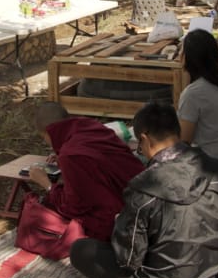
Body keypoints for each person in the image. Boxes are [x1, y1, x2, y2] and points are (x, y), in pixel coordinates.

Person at [70, 101, 218, 278]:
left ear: (144, 139)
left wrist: (120, 225)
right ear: (177, 131)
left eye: (139, 147)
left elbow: (128, 259)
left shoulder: (143, 188)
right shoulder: (216, 168)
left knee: (80, 250)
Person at [25, 102, 146, 246]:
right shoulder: (92, 126)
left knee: (38, 222)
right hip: (144, 196)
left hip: (122, 219)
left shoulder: (71, 155)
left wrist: (47, 184)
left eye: (43, 137)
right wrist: (62, 158)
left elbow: (73, 207)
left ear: (48, 132)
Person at [176, 29, 218, 174]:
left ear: (188, 57)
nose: (179, 55)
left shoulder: (192, 94)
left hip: (211, 170)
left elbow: (183, 142)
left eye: (181, 51)